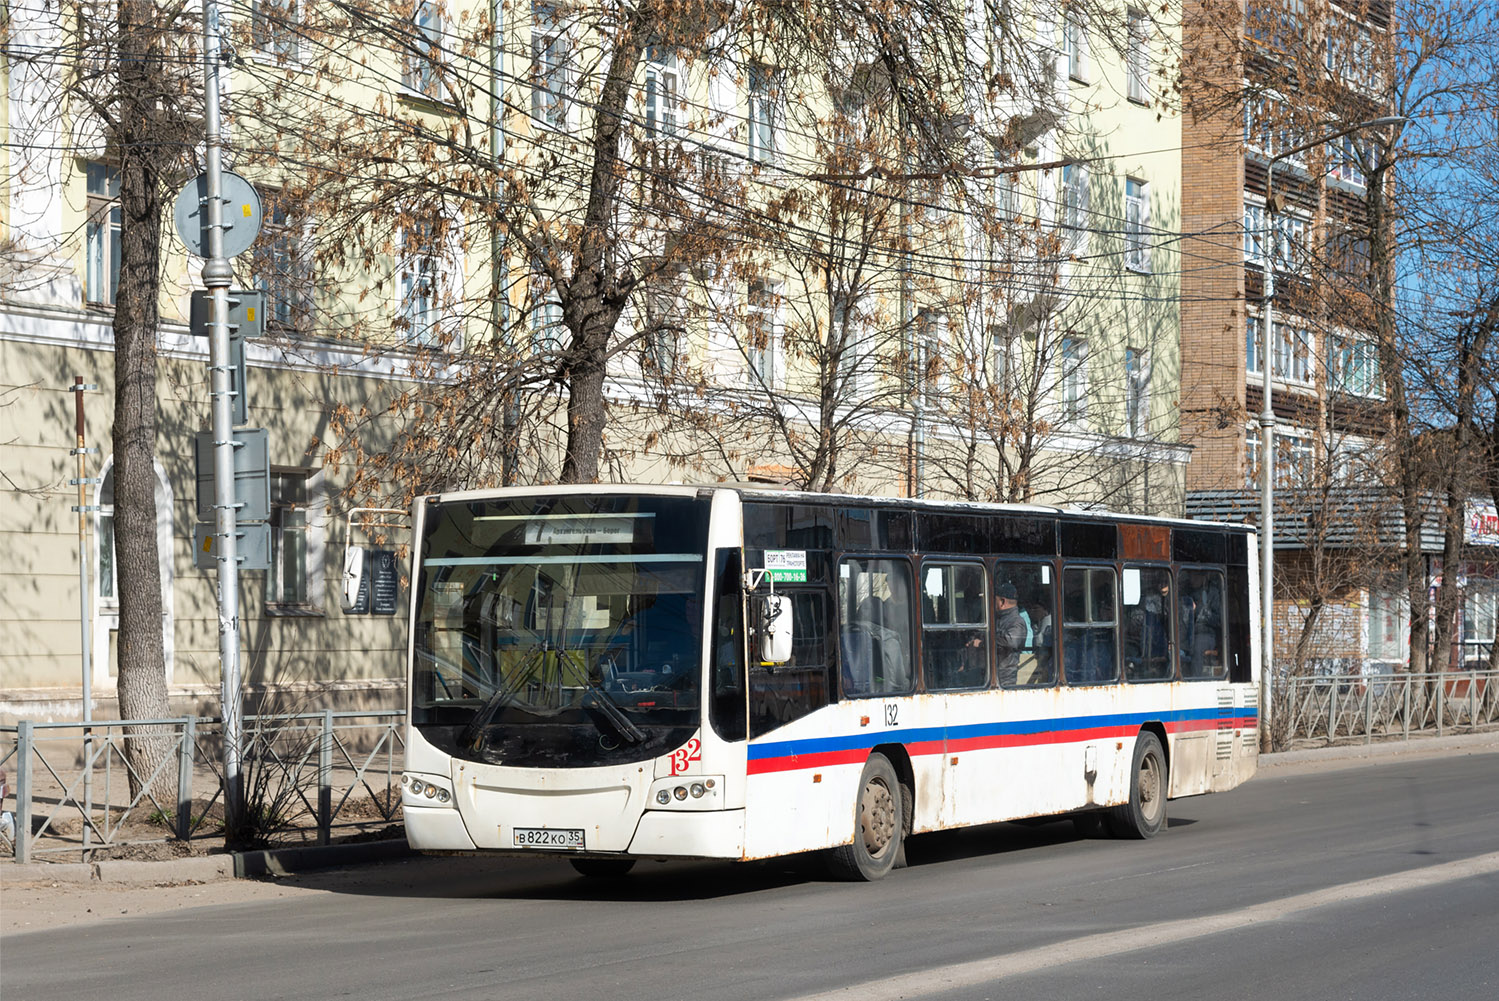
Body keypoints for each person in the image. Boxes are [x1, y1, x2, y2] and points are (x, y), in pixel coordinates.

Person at [994, 582, 1028, 687]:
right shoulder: (998, 619)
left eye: (994, 600)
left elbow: (1012, 641)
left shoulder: (1017, 621)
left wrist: (985, 641)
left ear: (1002, 602)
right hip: (994, 673)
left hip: (1006, 678)